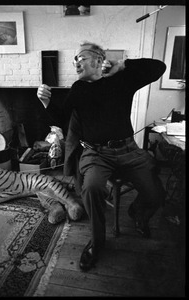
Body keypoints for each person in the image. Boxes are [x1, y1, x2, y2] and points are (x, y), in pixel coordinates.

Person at [37, 41, 166, 272]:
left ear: (98, 59)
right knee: (93, 187)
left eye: (81, 57)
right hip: (95, 153)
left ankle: (138, 212)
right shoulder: (78, 88)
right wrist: (46, 102)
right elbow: (61, 118)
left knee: (156, 194)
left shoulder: (122, 79)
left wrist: (124, 65)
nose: (76, 62)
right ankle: (97, 243)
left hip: (128, 151)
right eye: (74, 59)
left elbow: (159, 67)